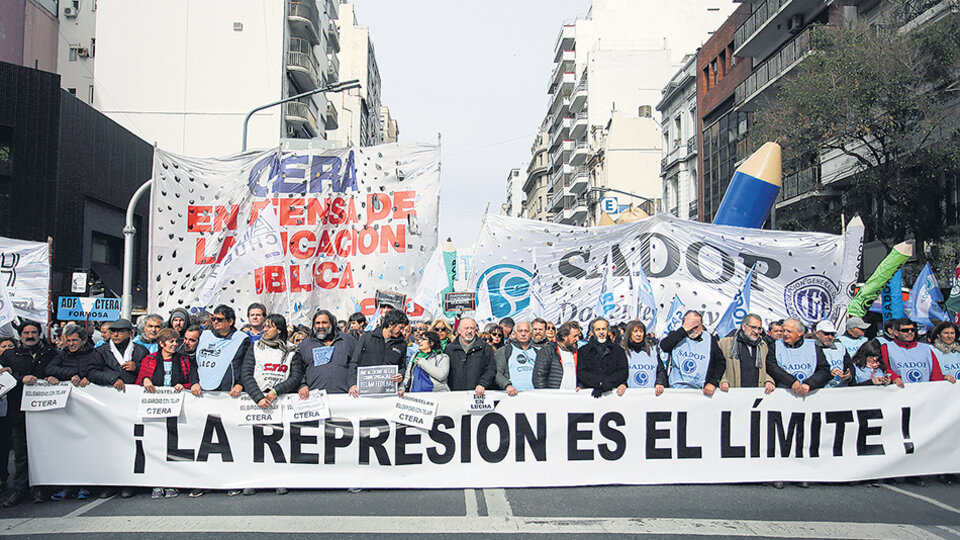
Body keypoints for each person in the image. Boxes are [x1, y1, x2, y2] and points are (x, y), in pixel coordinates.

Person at [240, 314, 302, 496]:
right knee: (256, 443)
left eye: (269, 327)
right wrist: (259, 397)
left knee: (279, 442)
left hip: (279, 400)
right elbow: (247, 374)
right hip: (258, 401)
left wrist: (276, 391)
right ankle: (254, 479)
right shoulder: (255, 348)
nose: (265, 330)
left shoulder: (292, 351)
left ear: (280, 330)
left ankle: (279, 478)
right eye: (265, 326)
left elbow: (296, 376)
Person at [137, 328, 199, 499]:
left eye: (175, 341)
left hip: (176, 408)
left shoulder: (185, 360)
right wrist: (145, 379)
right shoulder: (149, 359)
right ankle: (157, 482)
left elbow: (191, 381)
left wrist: (184, 386)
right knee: (155, 445)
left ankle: (173, 481)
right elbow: (140, 378)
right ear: (161, 343)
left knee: (174, 445)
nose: (174, 344)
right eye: (171, 341)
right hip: (156, 409)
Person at [2, 322, 58, 506]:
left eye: (34, 332)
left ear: (39, 334)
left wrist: (54, 376)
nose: (30, 335)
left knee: (43, 452)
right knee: (20, 453)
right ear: (20, 335)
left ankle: (42, 488)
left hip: (44, 412)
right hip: (18, 412)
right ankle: (20, 490)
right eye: (26, 332)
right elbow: (2, 376)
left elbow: (59, 369)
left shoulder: (50, 353)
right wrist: (20, 378)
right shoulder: (8, 355)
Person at [657, 311, 726, 397]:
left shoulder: (709, 339)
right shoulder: (677, 336)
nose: (693, 329)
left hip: (700, 391)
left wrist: (712, 382)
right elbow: (664, 346)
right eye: (690, 325)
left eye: (696, 325)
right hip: (675, 389)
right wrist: (683, 330)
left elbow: (720, 362)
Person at [348, 309, 408, 397]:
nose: (402, 331)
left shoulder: (402, 344)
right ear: (391, 324)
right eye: (401, 328)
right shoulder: (367, 337)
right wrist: (352, 384)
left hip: (388, 394)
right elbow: (354, 362)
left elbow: (402, 366)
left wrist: (401, 375)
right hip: (365, 394)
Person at [882, 318, 956, 387]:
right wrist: (893, 377)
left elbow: (935, 372)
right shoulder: (887, 348)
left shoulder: (926, 348)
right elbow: (884, 368)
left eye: (912, 330)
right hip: (900, 391)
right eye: (905, 330)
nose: (910, 332)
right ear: (896, 332)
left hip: (923, 392)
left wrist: (938, 387)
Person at [298, 309, 357, 396]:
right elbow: (297, 370)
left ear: (332, 323)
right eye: (317, 323)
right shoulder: (305, 345)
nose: (320, 326)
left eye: (324, 322)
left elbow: (358, 363)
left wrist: (354, 383)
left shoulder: (347, 340)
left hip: (345, 398)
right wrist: (302, 385)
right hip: (315, 399)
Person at [87, 318, 149, 398]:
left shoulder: (141, 350)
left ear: (130, 333)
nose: (115, 335)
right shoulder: (101, 351)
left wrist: (137, 367)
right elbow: (91, 372)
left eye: (121, 331)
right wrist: (113, 379)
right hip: (108, 395)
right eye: (113, 332)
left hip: (134, 396)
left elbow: (151, 371)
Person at [196, 305, 249, 394]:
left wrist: (240, 384)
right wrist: (194, 382)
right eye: (213, 319)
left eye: (219, 320)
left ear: (230, 321)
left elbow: (248, 366)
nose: (215, 322)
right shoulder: (203, 335)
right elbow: (194, 362)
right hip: (201, 390)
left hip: (228, 391)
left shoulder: (242, 339)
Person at [718, 314, 775, 394]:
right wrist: (723, 380)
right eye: (753, 327)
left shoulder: (762, 346)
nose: (756, 331)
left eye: (759, 328)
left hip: (755, 394)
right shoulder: (725, 343)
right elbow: (716, 367)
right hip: (732, 394)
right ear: (744, 327)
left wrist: (768, 381)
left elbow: (767, 368)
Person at [576, 317, 628, 398]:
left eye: (603, 329)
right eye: (598, 329)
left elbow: (623, 372)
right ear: (593, 332)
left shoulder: (619, 351)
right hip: (590, 395)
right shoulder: (583, 351)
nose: (601, 332)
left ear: (608, 330)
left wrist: (607, 382)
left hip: (613, 394)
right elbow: (581, 372)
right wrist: (599, 382)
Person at [445, 318, 495, 396]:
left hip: (479, 395)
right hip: (455, 395)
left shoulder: (485, 348)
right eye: (466, 328)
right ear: (459, 330)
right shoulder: (450, 349)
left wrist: (482, 384)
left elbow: (491, 369)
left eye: (472, 328)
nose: (469, 331)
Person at [495, 321, 538, 395]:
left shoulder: (538, 352)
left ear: (531, 334)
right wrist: (507, 385)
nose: (523, 334)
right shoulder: (504, 351)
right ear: (515, 333)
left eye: (526, 331)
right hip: (513, 395)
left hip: (535, 395)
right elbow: (497, 373)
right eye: (520, 331)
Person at [533, 321, 580, 390]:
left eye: (578, 335)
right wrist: (545, 395)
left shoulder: (575, 352)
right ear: (564, 336)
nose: (577, 339)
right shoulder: (549, 350)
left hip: (573, 397)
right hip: (554, 397)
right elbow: (539, 376)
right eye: (575, 336)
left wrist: (580, 386)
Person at [622, 320, 661, 390]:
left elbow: (660, 371)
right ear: (629, 333)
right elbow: (618, 373)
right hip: (629, 395)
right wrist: (623, 384)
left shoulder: (653, 352)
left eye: (641, 331)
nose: (639, 334)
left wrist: (660, 383)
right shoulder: (622, 352)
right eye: (635, 331)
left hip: (650, 395)